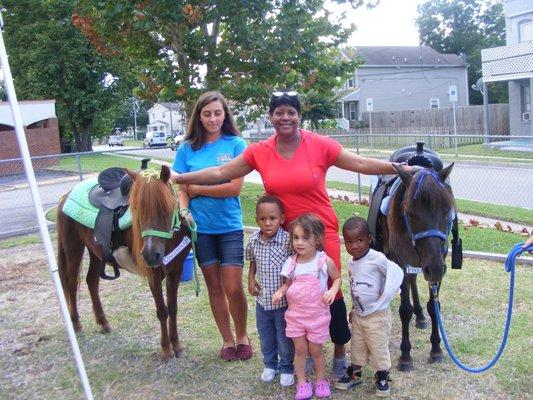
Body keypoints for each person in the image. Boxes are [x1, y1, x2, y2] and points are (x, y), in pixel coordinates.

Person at [171, 91, 409, 376]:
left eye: (291, 112)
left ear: (299, 116)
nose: (285, 117)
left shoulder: (319, 145)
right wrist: (179, 178)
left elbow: (358, 163)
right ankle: (305, 352)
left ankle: (340, 352)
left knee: (330, 291)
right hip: (286, 238)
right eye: (279, 112)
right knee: (295, 295)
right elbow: (222, 171)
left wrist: (398, 168)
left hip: (321, 233)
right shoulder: (260, 151)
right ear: (271, 117)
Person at [172, 90, 251, 361]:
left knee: (233, 287)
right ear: (199, 117)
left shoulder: (236, 145)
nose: (213, 118)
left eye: (218, 113)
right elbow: (181, 189)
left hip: (229, 226)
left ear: (225, 115)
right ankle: (228, 340)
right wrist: (184, 208)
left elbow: (234, 188)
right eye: (207, 114)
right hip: (201, 229)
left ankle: (243, 335)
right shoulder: (186, 149)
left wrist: (196, 188)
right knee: (214, 287)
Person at [272, 214, 341, 400]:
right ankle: (302, 382)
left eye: (305, 237)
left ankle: (321, 380)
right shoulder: (291, 263)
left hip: (317, 317)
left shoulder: (323, 261)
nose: (299, 242)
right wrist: (280, 291)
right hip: (296, 316)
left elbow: (338, 279)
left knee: (316, 351)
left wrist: (332, 291)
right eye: (296, 237)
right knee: (300, 350)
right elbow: (287, 284)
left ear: (317, 239)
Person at [335, 217, 404, 397]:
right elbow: (355, 286)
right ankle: (355, 374)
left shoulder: (377, 258)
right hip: (359, 314)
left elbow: (393, 272)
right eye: (349, 242)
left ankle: (382, 376)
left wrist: (390, 290)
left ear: (370, 239)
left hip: (377, 315)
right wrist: (353, 308)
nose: (354, 246)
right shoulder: (351, 262)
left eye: (359, 240)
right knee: (357, 346)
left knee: (378, 346)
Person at [246, 195, 295, 386]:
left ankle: (286, 367)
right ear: (256, 219)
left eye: (272, 218)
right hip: (262, 301)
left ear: (282, 219)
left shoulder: (287, 240)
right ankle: (269, 365)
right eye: (263, 219)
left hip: (283, 303)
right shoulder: (253, 241)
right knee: (265, 335)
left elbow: (294, 267)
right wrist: (251, 279)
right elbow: (252, 262)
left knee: (284, 336)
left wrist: (286, 287)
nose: (267, 223)